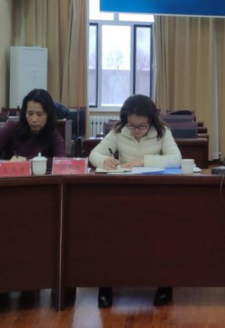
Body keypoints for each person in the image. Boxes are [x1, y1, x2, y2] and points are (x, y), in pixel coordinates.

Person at [88, 94, 181, 308]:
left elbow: (176, 159)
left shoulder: (163, 131)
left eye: (141, 126)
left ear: (151, 121)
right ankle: (106, 284)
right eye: (132, 125)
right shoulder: (119, 131)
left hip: (155, 196)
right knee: (110, 235)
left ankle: (164, 284)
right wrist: (106, 160)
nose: (136, 130)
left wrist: (143, 161)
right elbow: (94, 154)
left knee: (161, 236)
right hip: (123, 194)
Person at [0, 89, 66, 166]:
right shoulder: (12, 128)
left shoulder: (52, 133)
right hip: (14, 176)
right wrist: (8, 163)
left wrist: (28, 162)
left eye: (39, 114)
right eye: (30, 113)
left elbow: (62, 162)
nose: (34, 119)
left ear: (48, 115)